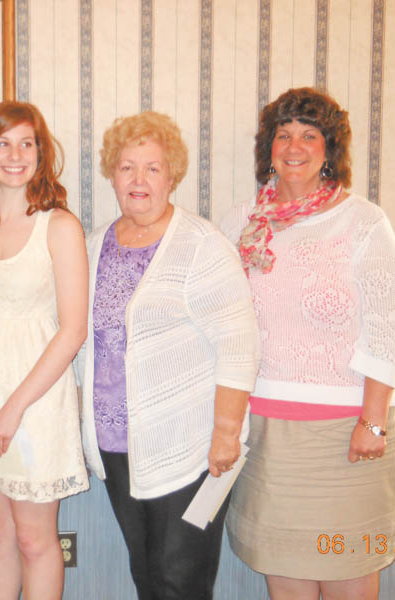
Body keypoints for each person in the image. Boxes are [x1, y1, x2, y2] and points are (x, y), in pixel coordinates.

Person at [220, 87, 395, 600]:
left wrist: (372, 420)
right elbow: (220, 322)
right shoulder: (241, 225)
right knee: (288, 583)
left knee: (349, 578)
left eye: (310, 134)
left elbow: (387, 324)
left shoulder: (362, 221)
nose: (295, 146)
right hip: (268, 437)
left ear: (330, 150)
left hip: (348, 436)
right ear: (269, 148)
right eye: (284, 134)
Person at [76, 111, 261, 600]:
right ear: (112, 175)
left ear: (172, 176)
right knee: (147, 575)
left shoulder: (201, 245)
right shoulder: (94, 246)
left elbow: (239, 343)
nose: (139, 180)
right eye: (127, 167)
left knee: (181, 580)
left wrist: (224, 435)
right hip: (118, 444)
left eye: (152, 168)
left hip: (191, 446)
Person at [0, 101, 89, 600]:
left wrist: (13, 409)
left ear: (41, 153)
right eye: (3, 142)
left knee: (33, 538)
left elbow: (72, 332)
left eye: (27, 143)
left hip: (35, 403)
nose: (15, 154)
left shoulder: (60, 226)